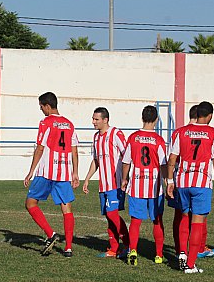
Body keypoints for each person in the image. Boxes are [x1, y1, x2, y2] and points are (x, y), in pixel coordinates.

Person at [166, 101, 214, 274]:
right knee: (197, 222)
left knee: (184, 216)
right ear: (210, 116)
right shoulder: (213, 133)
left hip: (182, 181)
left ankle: (182, 252)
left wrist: (170, 181)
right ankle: (191, 264)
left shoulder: (181, 132)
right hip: (202, 183)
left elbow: (172, 159)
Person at [24, 92, 79, 257]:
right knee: (67, 209)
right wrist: (75, 172)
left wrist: (31, 171)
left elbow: (40, 148)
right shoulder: (69, 124)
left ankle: (50, 234)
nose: (41, 110)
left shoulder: (46, 122)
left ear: (47, 106)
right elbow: (74, 150)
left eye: (41, 107)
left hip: (46, 171)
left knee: (31, 203)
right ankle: (68, 248)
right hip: (63, 172)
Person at [121, 105, 168, 265]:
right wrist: (168, 181)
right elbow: (163, 164)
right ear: (156, 120)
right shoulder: (159, 140)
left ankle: (132, 250)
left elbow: (126, 161)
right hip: (155, 187)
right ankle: (159, 255)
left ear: (142, 118)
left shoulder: (133, 137)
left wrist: (124, 179)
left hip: (137, 184)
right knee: (157, 220)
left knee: (135, 221)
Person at [82, 107, 129, 258]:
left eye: (96, 119)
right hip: (104, 185)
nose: (93, 122)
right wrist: (87, 178)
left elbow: (127, 157)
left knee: (112, 213)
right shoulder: (96, 137)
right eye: (93, 118)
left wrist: (125, 178)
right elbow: (96, 160)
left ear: (105, 120)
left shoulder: (116, 133)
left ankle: (128, 245)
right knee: (109, 217)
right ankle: (114, 249)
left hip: (116, 184)